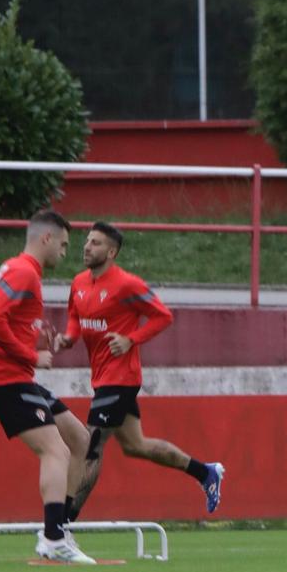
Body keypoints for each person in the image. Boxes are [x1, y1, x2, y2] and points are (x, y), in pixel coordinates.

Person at [53, 222, 225, 519]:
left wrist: (130, 339)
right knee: (136, 445)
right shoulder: (79, 282)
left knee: (90, 446)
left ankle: (63, 524)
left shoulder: (127, 285)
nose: (86, 247)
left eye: (95, 243)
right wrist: (69, 337)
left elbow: (163, 317)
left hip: (121, 379)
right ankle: (205, 472)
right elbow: (74, 316)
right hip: (102, 378)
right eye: (87, 241)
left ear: (111, 252)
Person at [0, 209, 96, 565]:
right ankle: (53, 538)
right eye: (63, 244)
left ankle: (61, 527)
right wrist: (29, 354)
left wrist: (32, 337)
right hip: (5, 379)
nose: (65, 252)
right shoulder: (25, 272)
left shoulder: (11, 269)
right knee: (55, 450)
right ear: (46, 239)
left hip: (14, 377)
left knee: (80, 439)